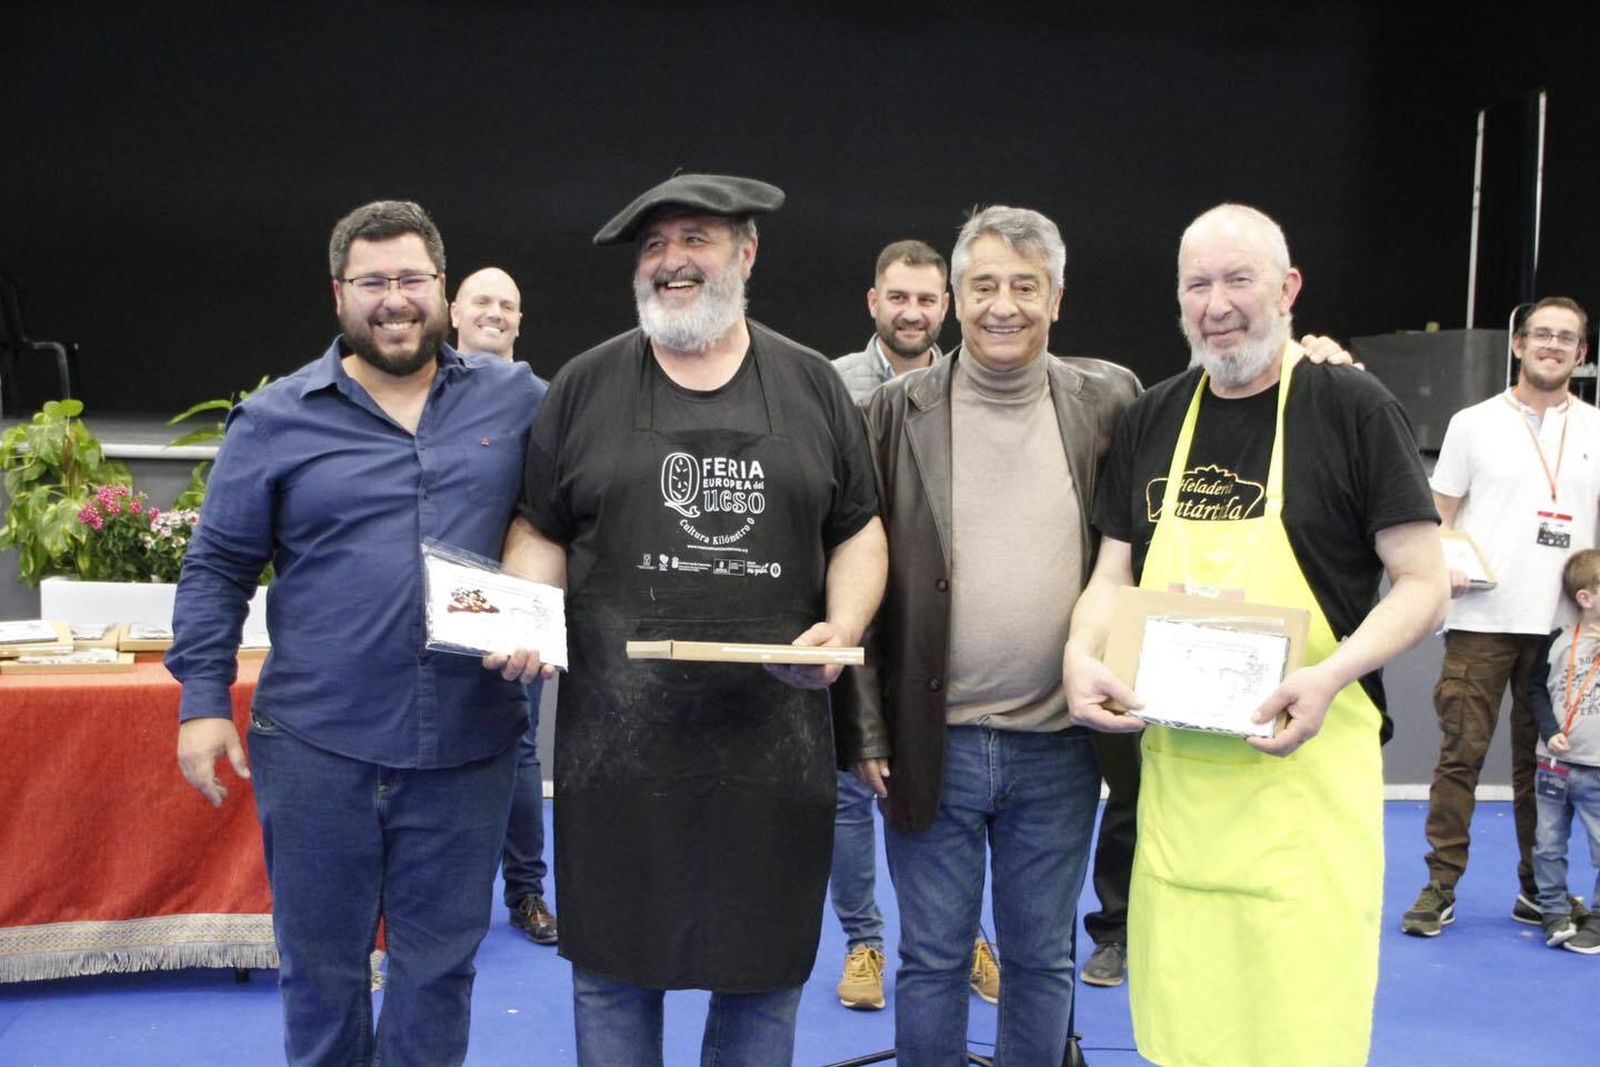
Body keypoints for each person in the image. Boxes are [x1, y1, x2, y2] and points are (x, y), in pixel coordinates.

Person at [488, 173, 887, 1066]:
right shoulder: (585, 386)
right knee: (613, 983)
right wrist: (522, 609)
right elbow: (539, 529)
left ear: (746, 254)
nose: (672, 260)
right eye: (655, 245)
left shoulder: (814, 385)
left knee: (762, 985)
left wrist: (843, 624)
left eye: (695, 239)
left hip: (772, 759)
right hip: (616, 764)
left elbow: (859, 526)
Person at [1063, 203, 1447, 1066]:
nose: (1218, 302)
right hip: (1183, 800)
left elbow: (1426, 584)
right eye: (1197, 284)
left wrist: (1330, 676)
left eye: (1239, 278)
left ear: (1289, 287)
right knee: (1186, 1027)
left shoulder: (1349, 407)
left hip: (1304, 788)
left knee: (1297, 1025)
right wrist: (1079, 655)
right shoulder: (1155, 416)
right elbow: (1112, 575)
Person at [169, 200, 544, 1065]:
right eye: (372, 282)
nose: (395, 299)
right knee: (322, 974)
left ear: (443, 290)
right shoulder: (274, 419)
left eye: (412, 279)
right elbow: (218, 566)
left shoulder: (519, 401)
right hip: (317, 749)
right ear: (340, 294)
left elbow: (573, 514)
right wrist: (200, 700)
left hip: (467, 748)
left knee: (440, 973)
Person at [838, 206, 1141, 1065]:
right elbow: (853, 570)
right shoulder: (894, 413)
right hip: (930, 742)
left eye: (1025, 285)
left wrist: (1309, 358)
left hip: (1062, 748)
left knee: (1043, 962)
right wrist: (864, 725)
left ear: (1057, 297)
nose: (1004, 305)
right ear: (956, 300)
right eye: (984, 286)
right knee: (931, 960)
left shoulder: (1112, 399)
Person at [828, 239, 1001, 1011]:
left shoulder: (978, 386)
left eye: (928, 299)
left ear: (948, 306)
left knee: (950, 791)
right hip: (854, 618)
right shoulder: (831, 385)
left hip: (941, 629)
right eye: (899, 296)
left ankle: (963, 938)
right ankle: (863, 941)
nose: (913, 311)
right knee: (848, 792)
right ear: (874, 302)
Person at [1400, 296, 1600, 937]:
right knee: (1460, 756)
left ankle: (1538, 890)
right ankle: (1439, 886)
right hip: (1482, 620)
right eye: (1541, 334)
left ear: (1582, 354)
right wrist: (1443, 565)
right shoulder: (1471, 423)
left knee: (1545, 768)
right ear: (1517, 345)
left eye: (1566, 338)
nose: (1552, 345)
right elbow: (1438, 516)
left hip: (1565, 630)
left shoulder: (1595, 428)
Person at [449, 266, 559, 947]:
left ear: (519, 322)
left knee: (518, 746)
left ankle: (527, 892)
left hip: (513, 597)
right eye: (482, 301)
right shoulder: (421, 395)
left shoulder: (544, 402)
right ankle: (440, 893)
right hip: (429, 597)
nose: (495, 312)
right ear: (453, 311)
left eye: (508, 305)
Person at [1528, 548, 1600, 953]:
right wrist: (1549, 730)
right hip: (1553, 764)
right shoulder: (1558, 642)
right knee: (1548, 843)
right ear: (1585, 598)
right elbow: (1536, 690)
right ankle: (1554, 910)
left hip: (1596, 767)